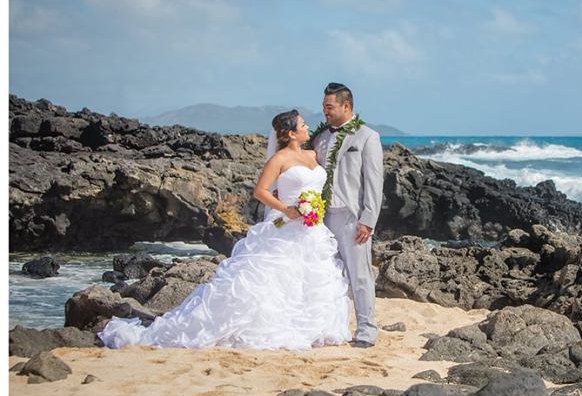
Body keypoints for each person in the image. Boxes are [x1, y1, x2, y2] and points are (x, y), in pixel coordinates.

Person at [98, 110, 351, 350]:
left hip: (313, 228)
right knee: (273, 279)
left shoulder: (313, 155)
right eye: (303, 124)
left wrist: (314, 207)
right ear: (291, 133)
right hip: (286, 225)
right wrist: (287, 209)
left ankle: (309, 328)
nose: (308, 127)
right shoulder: (279, 159)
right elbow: (260, 192)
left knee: (310, 278)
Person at [309, 82, 383, 348]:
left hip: (352, 217)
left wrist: (368, 219)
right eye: (324, 107)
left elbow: (374, 181)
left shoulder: (366, 137)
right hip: (322, 217)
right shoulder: (320, 138)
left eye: (330, 107)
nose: (325, 112)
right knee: (328, 274)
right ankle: (330, 327)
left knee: (360, 274)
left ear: (346, 106)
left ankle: (366, 330)